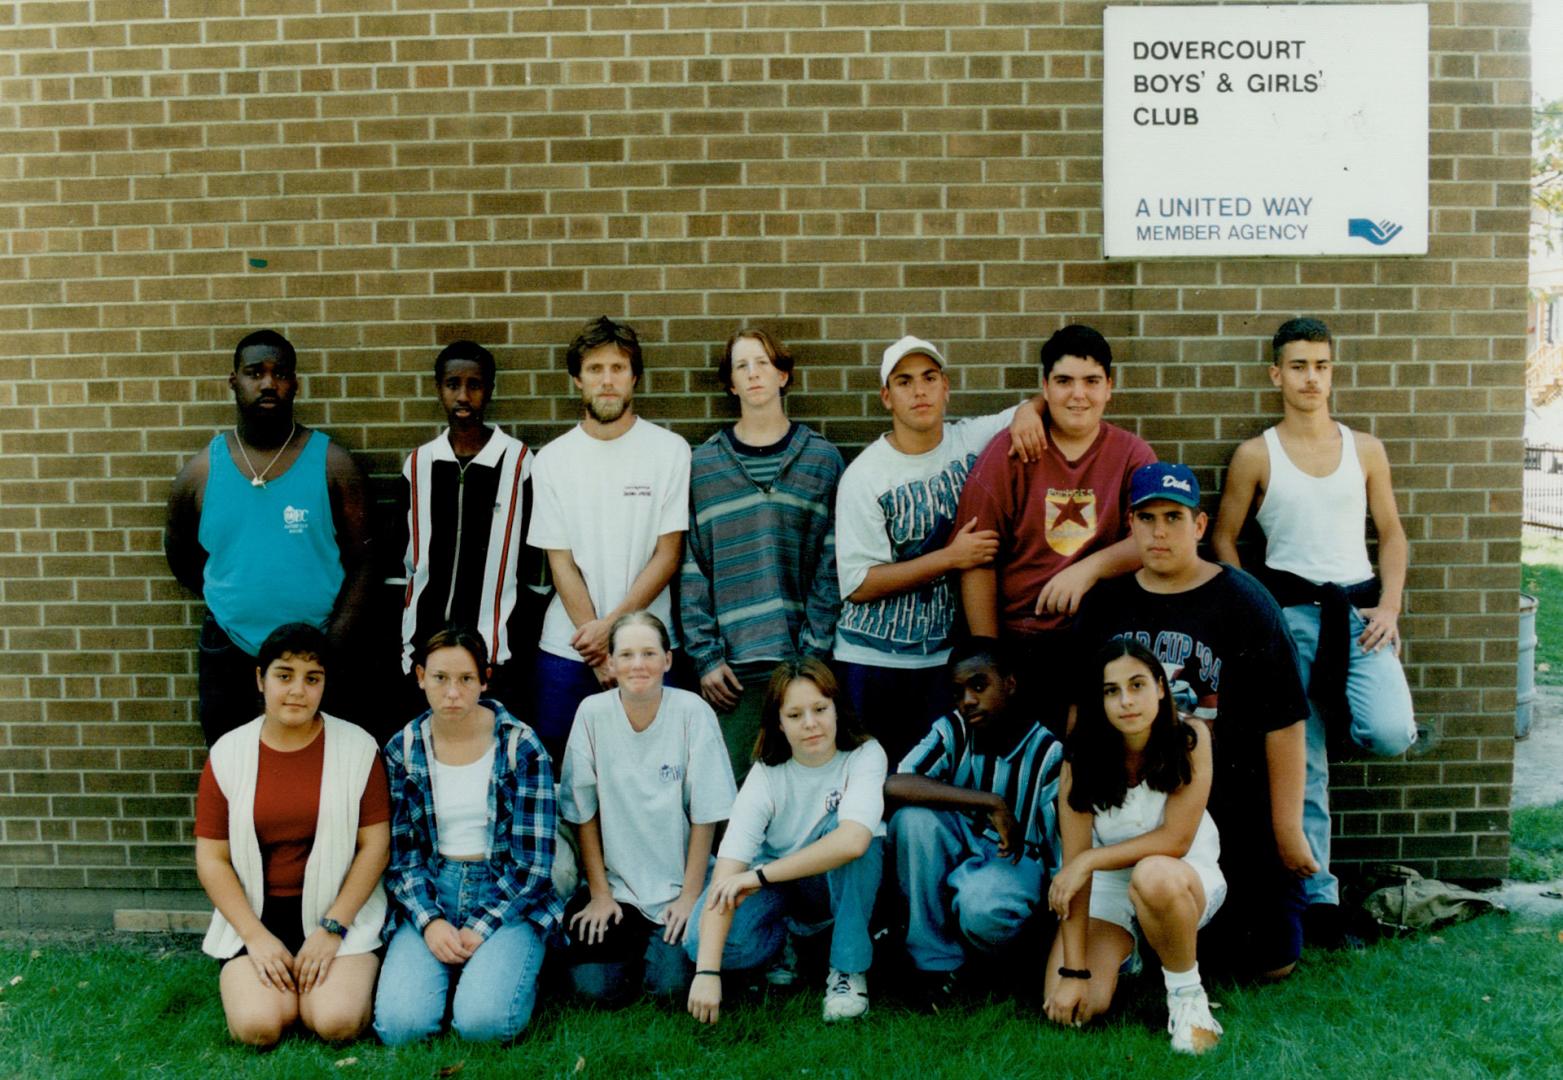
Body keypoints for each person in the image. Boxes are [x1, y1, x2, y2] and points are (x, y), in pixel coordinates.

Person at [1211, 317, 1417, 944]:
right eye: (1298, 366)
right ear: (1277, 374)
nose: (1310, 378)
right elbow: (1223, 536)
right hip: (1289, 620)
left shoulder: (1365, 449)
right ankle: (1316, 895)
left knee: (1388, 730)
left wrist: (1390, 606)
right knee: (1306, 763)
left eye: (1321, 365)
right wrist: (1259, 612)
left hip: (1357, 619)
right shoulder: (1256, 454)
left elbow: (1393, 533)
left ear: (1333, 371)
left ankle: (1346, 711)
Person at [1072, 462, 1316, 981]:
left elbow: (1285, 722)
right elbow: (1080, 718)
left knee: (1271, 962)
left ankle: (1167, 934)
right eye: (1147, 518)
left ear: (1200, 526)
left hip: (1227, 802)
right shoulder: (1106, 606)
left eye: (1174, 517)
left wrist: (1287, 827)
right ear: (1130, 526)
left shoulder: (1245, 601)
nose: (1160, 532)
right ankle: (1136, 933)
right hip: (1132, 804)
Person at [832, 334, 1047, 766]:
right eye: (905, 381)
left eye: (930, 378)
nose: (920, 391)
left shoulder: (970, 439)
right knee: (877, 786)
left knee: (935, 780)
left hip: (944, 662)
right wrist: (951, 558)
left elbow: (1041, 400)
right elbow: (858, 583)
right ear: (886, 397)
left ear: (946, 388)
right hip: (874, 660)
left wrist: (1026, 412)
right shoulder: (865, 475)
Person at [165, 329, 373, 746]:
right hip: (230, 649)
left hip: (315, 652)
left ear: (295, 383)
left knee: (323, 777)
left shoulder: (333, 464)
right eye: (254, 372)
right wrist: (236, 602)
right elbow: (183, 558)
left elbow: (365, 561)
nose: (267, 383)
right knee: (233, 771)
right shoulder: (202, 472)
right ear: (233, 381)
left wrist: (329, 648)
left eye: (280, 373)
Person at [193, 622, 389, 1047]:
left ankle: (324, 987)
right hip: (259, 916)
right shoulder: (228, 754)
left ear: (324, 685)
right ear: (260, 678)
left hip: (337, 913)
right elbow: (212, 858)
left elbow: (375, 846)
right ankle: (273, 984)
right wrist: (255, 937)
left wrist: (332, 928)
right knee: (258, 1026)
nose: (298, 690)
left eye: (312, 678)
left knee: (335, 1021)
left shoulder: (357, 748)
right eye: (284, 675)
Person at [956, 324, 1156, 729]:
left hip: (1103, 641)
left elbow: (1156, 539)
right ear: (1045, 387)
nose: (1078, 394)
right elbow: (977, 559)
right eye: (1064, 381)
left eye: (1091, 381)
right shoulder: (1010, 452)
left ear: (1109, 388)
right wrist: (991, 660)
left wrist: (1088, 569)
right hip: (1022, 642)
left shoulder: (1132, 454)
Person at [374, 626, 560, 1045]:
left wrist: (481, 925)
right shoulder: (403, 749)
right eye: (440, 678)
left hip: (506, 893)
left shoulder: (520, 746)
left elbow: (533, 866)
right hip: (434, 889)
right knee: (400, 1029)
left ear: (485, 680)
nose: (452, 692)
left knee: (485, 1025)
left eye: (466, 679)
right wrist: (430, 921)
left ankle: (498, 970)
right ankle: (451, 971)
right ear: (420, 675)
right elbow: (402, 857)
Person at [1044, 639, 1226, 1055]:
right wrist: (1074, 971)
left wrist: (1090, 859)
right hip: (1109, 882)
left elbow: (1175, 841)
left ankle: (1186, 996)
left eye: (1138, 685)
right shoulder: (1080, 759)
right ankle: (1133, 953)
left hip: (1180, 874)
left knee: (1153, 874)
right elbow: (1075, 872)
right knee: (1074, 1008)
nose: (1127, 701)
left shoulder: (1191, 737)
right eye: (1112, 691)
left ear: (1161, 687)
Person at [685, 658, 887, 1024]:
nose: (810, 724)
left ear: (837, 709)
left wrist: (757, 877)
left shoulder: (865, 755)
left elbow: (853, 841)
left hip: (834, 881)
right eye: (795, 715)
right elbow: (727, 875)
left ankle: (847, 969)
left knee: (861, 840)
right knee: (699, 944)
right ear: (778, 722)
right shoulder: (765, 774)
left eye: (820, 709)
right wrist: (707, 973)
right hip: (780, 887)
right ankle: (784, 942)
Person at [682, 327, 845, 779]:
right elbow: (692, 566)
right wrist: (706, 657)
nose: (753, 374)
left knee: (804, 790)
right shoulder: (703, 466)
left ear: (783, 376)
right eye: (741, 366)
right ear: (731, 384)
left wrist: (812, 654)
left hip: (801, 665)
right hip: (731, 674)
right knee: (735, 796)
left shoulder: (822, 460)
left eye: (763, 363)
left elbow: (831, 565)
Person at [528, 316, 691, 759]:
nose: (607, 381)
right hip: (570, 647)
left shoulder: (669, 451)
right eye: (595, 369)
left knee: (655, 767)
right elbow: (559, 562)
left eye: (618, 368)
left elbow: (667, 553)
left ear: (634, 378)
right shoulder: (553, 460)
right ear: (577, 380)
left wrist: (617, 640)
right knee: (565, 772)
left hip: (648, 645)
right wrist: (599, 653)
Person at [559, 611, 737, 1006]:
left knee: (671, 989)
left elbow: (705, 815)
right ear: (610, 662)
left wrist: (690, 896)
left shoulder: (693, 713)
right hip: (618, 885)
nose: (637, 664)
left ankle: (656, 951)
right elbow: (582, 812)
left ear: (667, 659)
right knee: (593, 990)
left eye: (649, 653)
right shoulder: (592, 713)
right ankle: (623, 946)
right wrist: (601, 894)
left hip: (677, 884)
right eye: (626, 654)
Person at [884, 638, 1064, 1003]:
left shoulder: (1048, 753)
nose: (967, 700)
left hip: (1012, 861)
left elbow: (1060, 858)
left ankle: (997, 965)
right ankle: (934, 963)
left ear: (1010, 684)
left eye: (979, 686)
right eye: (958, 692)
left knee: (984, 907)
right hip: (960, 841)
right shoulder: (955, 728)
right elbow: (897, 783)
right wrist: (990, 803)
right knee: (912, 820)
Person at [398, 340, 546, 718]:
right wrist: (409, 641)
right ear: (438, 388)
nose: (463, 395)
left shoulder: (519, 463)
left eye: (475, 385)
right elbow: (408, 560)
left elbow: (534, 565)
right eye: (452, 384)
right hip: (427, 648)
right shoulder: (418, 464)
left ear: (490, 389)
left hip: (496, 652)